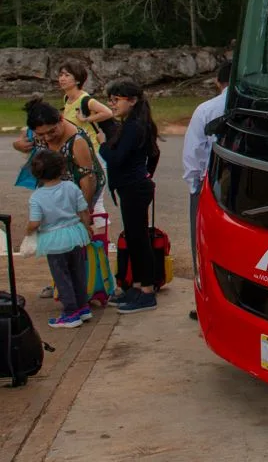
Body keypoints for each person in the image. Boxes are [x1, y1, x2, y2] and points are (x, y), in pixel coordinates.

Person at [13, 97, 105, 298]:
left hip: (79, 189)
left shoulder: (77, 141)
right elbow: (21, 140)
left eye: (52, 132)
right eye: (41, 134)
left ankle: (76, 286)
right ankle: (61, 282)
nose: (47, 138)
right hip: (56, 188)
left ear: (61, 120)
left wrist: (85, 214)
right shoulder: (39, 132)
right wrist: (19, 145)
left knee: (71, 237)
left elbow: (87, 180)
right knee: (56, 238)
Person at [98, 79, 160, 315]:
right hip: (134, 186)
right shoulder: (135, 123)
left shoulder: (135, 127)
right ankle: (137, 286)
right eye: (110, 100)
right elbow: (154, 153)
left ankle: (146, 291)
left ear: (132, 101)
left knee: (139, 239)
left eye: (116, 100)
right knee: (135, 239)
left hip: (134, 187)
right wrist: (146, 175)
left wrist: (103, 147)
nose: (112, 104)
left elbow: (116, 159)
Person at [182, 61, 230, 320]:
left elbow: (193, 152)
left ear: (217, 82)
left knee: (202, 243)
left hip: (209, 184)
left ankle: (205, 301)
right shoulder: (251, 106)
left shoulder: (207, 109)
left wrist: (194, 186)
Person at [26, 150, 93, 328]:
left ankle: (70, 313)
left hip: (54, 239)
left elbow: (34, 223)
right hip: (75, 234)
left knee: (61, 276)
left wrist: (28, 232)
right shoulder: (71, 187)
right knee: (78, 272)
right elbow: (83, 211)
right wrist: (87, 228)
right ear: (62, 168)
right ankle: (83, 307)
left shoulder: (37, 197)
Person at [58, 59, 114, 231]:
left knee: (95, 201)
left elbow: (108, 112)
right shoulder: (67, 98)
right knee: (80, 199)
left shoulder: (85, 100)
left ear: (77, 79)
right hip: (77, 156)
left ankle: (105, 241)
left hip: (94, 155)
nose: (62, 78)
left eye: (67, 75)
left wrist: (87, 119)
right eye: (61, 75)